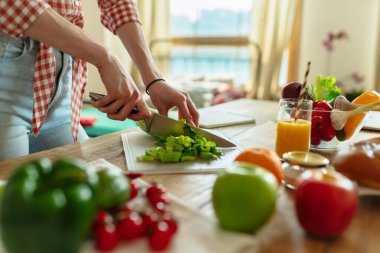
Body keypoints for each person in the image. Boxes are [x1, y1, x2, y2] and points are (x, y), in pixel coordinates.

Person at [0, 0, 199, 160]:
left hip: (61, 85)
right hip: (7, 64)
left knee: (89, 185)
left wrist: (154, 80)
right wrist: (106, 59)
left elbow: (117, 3)